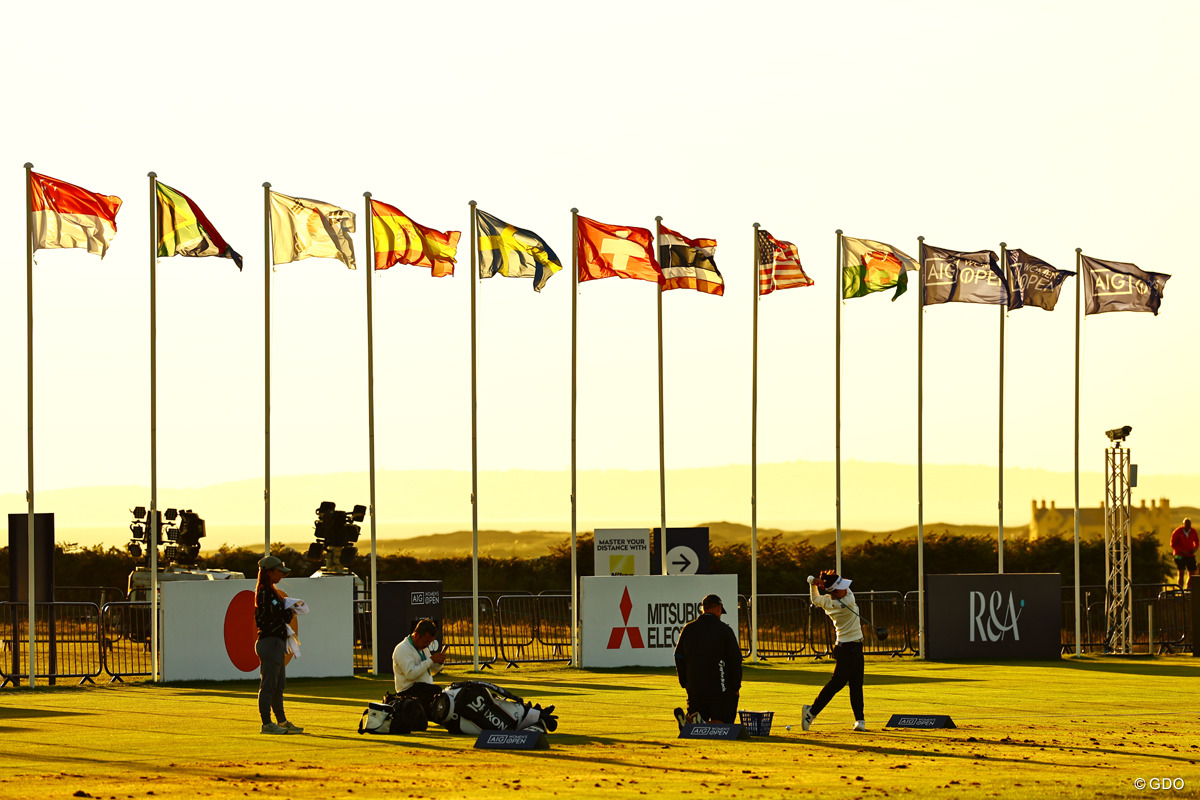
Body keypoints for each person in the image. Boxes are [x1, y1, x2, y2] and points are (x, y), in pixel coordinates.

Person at [802, 570, 866, 733]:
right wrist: (820, 583)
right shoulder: (848, 600)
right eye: (842, 587)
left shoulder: (827, 601)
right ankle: (811, 712)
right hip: (848, 649)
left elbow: (815, 598)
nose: (846, 588)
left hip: (852, 647)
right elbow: (842, 591)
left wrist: (813, 583)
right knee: (837, 684)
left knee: (856, 685)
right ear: (836, 592)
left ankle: (860, 720)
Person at [672, 594, 742, 727]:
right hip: (719, 687)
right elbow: (735, 660)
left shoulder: (688, 628)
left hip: (694, 686)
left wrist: (685, 682)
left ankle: (690, 723)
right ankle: (698, 723)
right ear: (719, 608)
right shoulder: (724, 630)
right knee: (724, 721)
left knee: (697, 711)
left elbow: (678, 656)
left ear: (702, 609)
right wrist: (735, 686)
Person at [254, 555, 302, 734]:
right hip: (270, 642)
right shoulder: (267, 593)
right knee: (269, 685)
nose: (281, 575)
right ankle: (267, 723)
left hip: (275, 643)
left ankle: (281, 721)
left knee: (278, 685)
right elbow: (283, 616)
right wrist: (287, 610)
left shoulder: (269, 592)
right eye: (278, 571)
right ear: (269, 572)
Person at [392, 618, 447, 715]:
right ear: (416, 635)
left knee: (443, 695)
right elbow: (410, 674)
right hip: (407, 692)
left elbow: (431, 671)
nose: (427, 645)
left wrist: (438, 663)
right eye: (426, 642)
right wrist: (431, 660)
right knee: (436, 692)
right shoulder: (403, 649)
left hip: (423, 689)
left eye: (430, 643)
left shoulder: (423, 648)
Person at [1171, 518, 1199, 590]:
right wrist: (1181, 550)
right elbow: (1173, 544)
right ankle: (1180, 590)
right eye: (1186, 525)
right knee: (1181, 572)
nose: (1188, 527)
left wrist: (1195, 548)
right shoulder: (1177, 532)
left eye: (1189, 525)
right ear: (1183, 525)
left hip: (1190, 555)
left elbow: (1197, 542)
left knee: (1192, 573)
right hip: (1179, 556)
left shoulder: (1193, 531)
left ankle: (1189, 589)